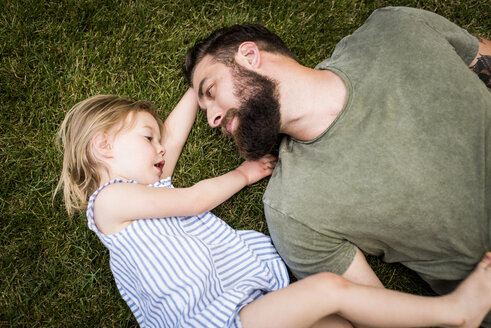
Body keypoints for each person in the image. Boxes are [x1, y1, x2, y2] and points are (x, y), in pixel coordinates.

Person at [56, 90, 491, 327]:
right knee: (327, 290)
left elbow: (171, 137)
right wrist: (244, 174)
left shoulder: (147, 186)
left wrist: (196, 88)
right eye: (146, 139)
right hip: (215, 321)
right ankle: (454, 314)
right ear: (104, 146)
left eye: (154, 141)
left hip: (247, 308)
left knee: (338, 318)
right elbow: (193, 199)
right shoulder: (112, 201)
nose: (159, 149)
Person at [183, 6, 491, 326]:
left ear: (249, 55)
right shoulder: (292, 210)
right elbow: (377, 310)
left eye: (210, 91)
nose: (212, 119)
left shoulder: (395, 30)